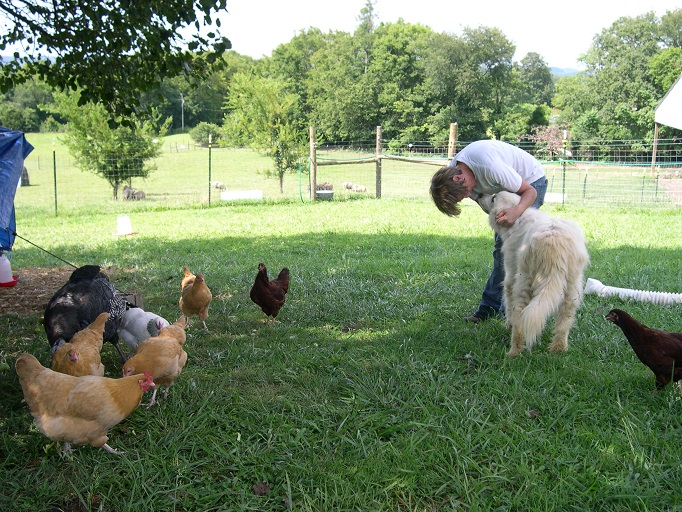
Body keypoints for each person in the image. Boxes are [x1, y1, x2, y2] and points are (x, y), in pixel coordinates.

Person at [430, 139, 548, 323]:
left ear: (458, 178)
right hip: (504, 190)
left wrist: (516, 212)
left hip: (531, 182)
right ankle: (494, 308)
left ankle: (503, 310)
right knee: (502, 252)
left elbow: (530, 191)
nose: (469, 195)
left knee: (513, 253)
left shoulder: (490, 166)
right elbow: (482, 198)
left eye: (466, 193)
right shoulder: (455, 172)